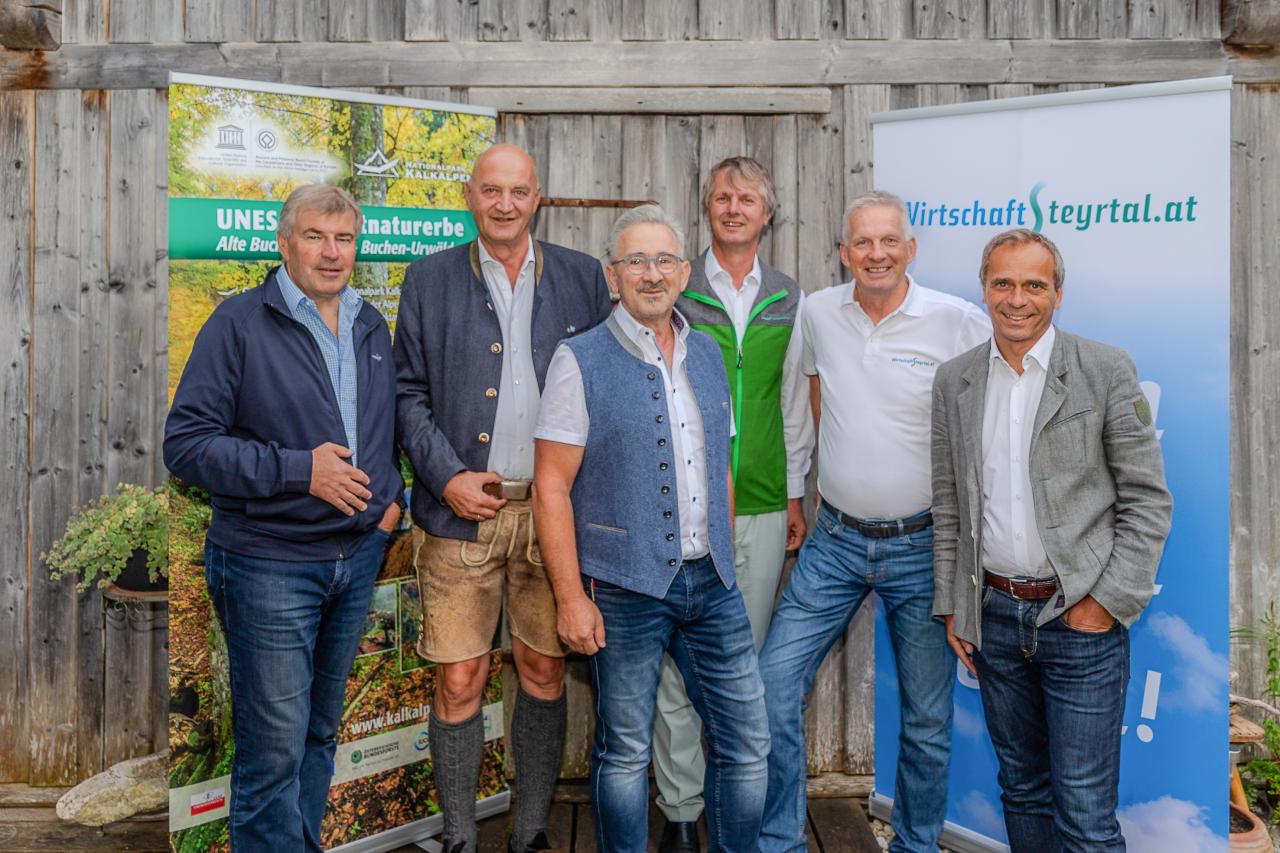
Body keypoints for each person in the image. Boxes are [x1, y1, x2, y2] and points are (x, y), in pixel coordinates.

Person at [164, 184, 403, 852]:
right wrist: (301, 471)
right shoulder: (238, 324)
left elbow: (386, 432)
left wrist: (390, 508)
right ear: (284, 241)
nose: (332, 253)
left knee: (319, 733)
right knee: (271, 754)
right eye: (315, 236)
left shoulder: (369, 324)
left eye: (344, 238)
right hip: (267, 562)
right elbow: (184, 445)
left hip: (353, 563)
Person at [756, 191, 991, 853]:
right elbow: (801, 403)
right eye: (863, 242)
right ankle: (779, 840)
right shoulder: (818, 311)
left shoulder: (956, 321)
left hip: (922, 545)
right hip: (834, 540)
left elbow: (989, 419)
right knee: (773, 686)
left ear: (910, 249)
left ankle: (915, 844)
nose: (877, 253)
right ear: (844, 251)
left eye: (889, 241)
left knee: (925, 717)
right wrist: (797, 497)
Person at [394, 143, 612, 853]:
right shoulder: (427, 279)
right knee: (461, 675)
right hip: (460, 514)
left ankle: (531, 832)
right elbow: (405, 393)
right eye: (492, 190)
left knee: (546, 669)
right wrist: (446, 474)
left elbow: (609, 383)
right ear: (470, 195)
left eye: (518, 191)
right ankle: (460, 836)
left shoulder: (582, 278)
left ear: (537, 196)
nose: (505, 203)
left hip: (555, 512)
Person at [533, 204, 770, 853]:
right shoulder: (578, 359)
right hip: (626, 586)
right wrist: (571, 596)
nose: (651, 272)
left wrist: (723, 550)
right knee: (625, 750)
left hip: (712, 585)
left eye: (664, 259)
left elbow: (719, 463)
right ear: (615, 274)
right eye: (636, 260)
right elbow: (550, 484)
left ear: (684, 272)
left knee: (748, 742)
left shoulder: (710, 353)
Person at [931, 228, 1172, 851]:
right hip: (995, 623)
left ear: (1057, 294)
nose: (1018, 299)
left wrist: (1106, 603)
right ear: (983, 290)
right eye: (1003, 283)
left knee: (1087, 816)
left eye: (1034, 285)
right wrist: (956, 602)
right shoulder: (954, 381)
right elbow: (952, 506)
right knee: (1023, 792)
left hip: (1079, 622)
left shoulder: (1105, 369)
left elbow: (1146, 499)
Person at [656, 156, 812, 853]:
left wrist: (795, 491)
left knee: (741, 667)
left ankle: (736, 810)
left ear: (767, 213)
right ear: (708, 208)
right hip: (686, 506)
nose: (734, 207)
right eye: (722, 196)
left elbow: (793, 402)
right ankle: (683, 811)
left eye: (747, 198)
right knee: (675, 666)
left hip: (760, 505)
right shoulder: (677, 288)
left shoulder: (788, 296)